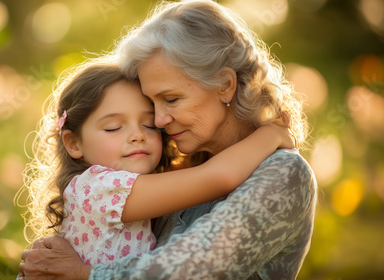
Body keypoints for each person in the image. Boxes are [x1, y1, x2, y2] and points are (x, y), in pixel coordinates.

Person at [19, 0, 317, 279]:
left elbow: (187, 271)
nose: (159, 122)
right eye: (153, 105)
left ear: (225, 85)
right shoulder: (170, 164)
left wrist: (84, 273)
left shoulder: (283, 172)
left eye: (171, 99)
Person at [19, 60, 293, 270]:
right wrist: (270, 134)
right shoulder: (98, 189)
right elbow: (218, 177)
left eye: (149, 124)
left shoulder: (130, 185)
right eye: (114, 127)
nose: (138, 135)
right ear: (73, 143)